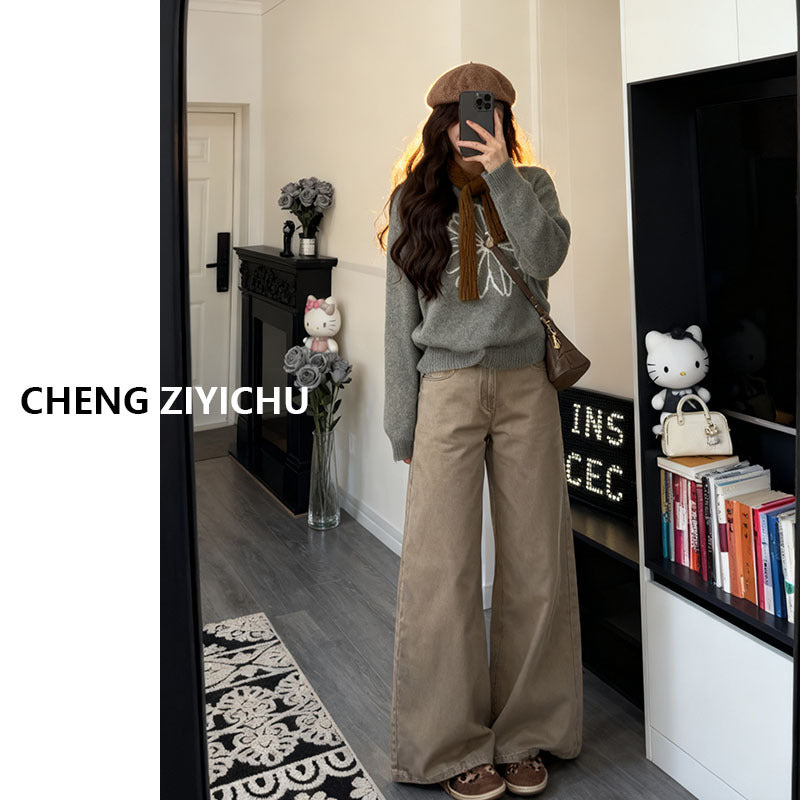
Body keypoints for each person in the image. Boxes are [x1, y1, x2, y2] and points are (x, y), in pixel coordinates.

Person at [377, 62, 583, 799]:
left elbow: (548, 256)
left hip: (526, 386)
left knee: (536, 562)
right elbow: (400, 317)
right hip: (447, 390)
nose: (479, 125)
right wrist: (403, 423)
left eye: (490, 114)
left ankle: (529, 732)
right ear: (443, 123)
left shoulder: (533, 186)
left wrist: (502, 175)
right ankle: (449, 743)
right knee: (442, 570)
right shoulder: (413, 200)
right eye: (467, 115)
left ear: (503, 119)